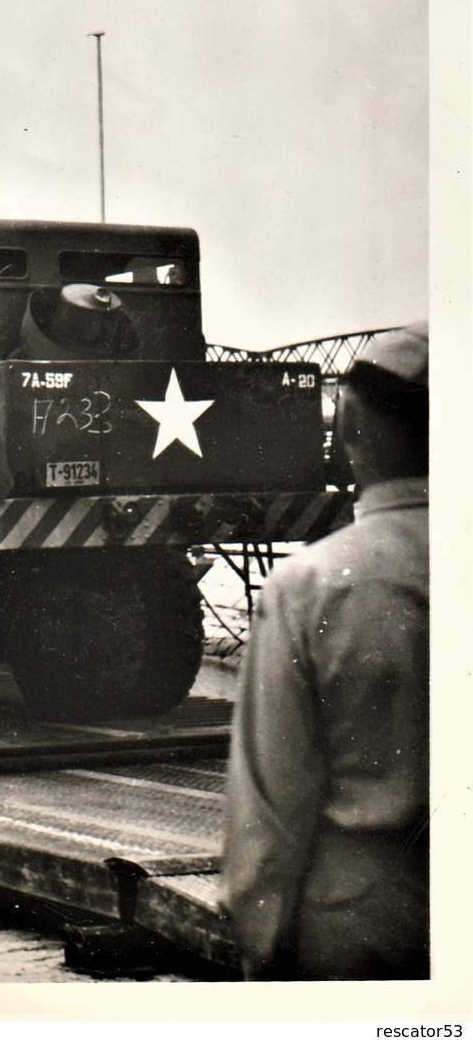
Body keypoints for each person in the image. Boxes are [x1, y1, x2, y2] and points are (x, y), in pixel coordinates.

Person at [222, 321, 429, 981]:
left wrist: (258, 945)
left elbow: (270, 802)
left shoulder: (308, 586)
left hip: (362, 921)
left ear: (351, 435)